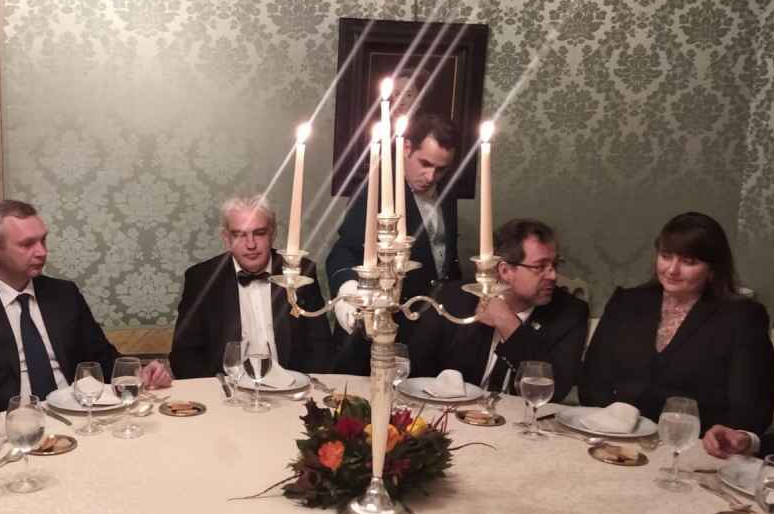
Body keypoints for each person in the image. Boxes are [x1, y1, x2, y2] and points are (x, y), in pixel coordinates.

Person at [0, 200, 170, 428]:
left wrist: (139, 374)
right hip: (10, 429)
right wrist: (7, 429)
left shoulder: (64, 294)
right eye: (27, 244)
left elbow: (102, 358)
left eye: (43, 240)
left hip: (79, 419)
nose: (42, 252)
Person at [580, 212, 774, 435]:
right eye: (666, 256)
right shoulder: (625, 302)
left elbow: (752, 411)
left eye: (688, 261)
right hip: (616, 438)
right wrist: (616, 424)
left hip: (694, 445)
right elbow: (591, 384)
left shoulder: (743, 317)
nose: (672, 270)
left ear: (713, 269)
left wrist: (723, 438)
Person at [326, 113, 463, 374]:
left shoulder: (447, 193)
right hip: (377, 331)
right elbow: (344, 251)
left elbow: (444, 259)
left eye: (441, 169)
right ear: (406, 148)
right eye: (425, 163)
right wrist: (348, 294)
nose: (431, 176)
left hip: (430, 333)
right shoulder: (375, 190)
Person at [408, 219, 589, 402]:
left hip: (523, 417)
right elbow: (416, 369)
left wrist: (508, 323)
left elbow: (555, 390)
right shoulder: (456, 298)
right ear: (505, 271)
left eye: (555, 265)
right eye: (540, 266)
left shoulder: (570, 313)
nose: (553, 275)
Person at [170, 195, 331, 378]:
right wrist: (220, 390)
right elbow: (184, 356)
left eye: (259, 233)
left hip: (290, 387)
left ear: (272, 234)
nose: (251, 244)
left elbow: (321, 347)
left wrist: (298, 386)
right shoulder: (202, 278)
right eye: (239, 235)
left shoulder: (300, 273)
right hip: (227, 390)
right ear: (226, 239)